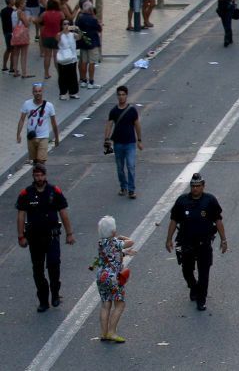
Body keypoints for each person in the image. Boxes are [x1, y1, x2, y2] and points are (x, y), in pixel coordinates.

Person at [15, 163, 75, 312]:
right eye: (36, 175)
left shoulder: (54, 191)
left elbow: (63, 213)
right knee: (38, 270)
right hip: (34, 238)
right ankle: (43, 300)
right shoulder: (26, 194)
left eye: (41, 175)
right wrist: (21, 236)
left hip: (52, 237)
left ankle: (55, 294)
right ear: (33, 176)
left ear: (45, 175)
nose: (39, 178)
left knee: (54, 265)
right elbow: (21, 215)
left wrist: (69, 234)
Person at [164, 173, 227, 311]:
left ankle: (201, 299)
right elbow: (174, 220)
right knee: (187, 270)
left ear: (203, 186)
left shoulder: (210, 200)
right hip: (186, 243)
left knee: (204, 272)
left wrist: (223, 239)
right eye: (193, 186)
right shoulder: (182, 201)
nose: (195, 189)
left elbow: (218, 220)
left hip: (204, 243)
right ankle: (194, 287)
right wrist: (169, 239)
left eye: (198, 186)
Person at [95, 215, 135, 343]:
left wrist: (124, 253)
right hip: (113, 277)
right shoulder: (115, 242)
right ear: (113, 231)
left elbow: (110, 255)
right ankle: (112, 332)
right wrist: (123, 237)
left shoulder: (101, 243)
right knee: (119, 304)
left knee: (105, 304)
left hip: (101, 276)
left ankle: (103, 332)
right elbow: (131, 242)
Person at [103, 85, 142, 199]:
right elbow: (109, 125)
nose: (121, 97)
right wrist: (106, 139)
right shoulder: (114, 111)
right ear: (117, 96)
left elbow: (137, 125)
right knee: (120, 167)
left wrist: (139, 140)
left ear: (126, 95)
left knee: (130, 166)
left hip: (130, 143)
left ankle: (131, 189)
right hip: (118, 143)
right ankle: (123, 186)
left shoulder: (132, 110)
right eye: (119, 95)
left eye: (123, 95)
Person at [17, 81, 58, 164]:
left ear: (42, 92)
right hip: (31, 137)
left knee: (41, 161)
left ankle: (41, 175)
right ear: (33, 92)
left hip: (43, 137)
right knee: (35, 161)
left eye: (39, 91)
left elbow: (53, 123)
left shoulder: (49, 106)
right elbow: (22, 119)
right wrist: (18, 134)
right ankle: (37, 176)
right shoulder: (27, 104)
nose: (38, 93)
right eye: (35, 91)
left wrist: (57, 138)